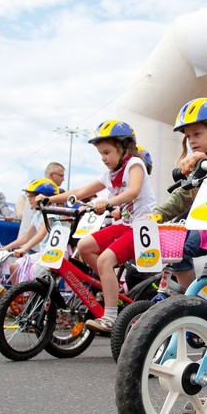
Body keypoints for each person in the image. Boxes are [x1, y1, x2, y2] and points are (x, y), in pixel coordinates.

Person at [42, 120, 156, 333]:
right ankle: (109, 283)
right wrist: (51, 199)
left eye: (106, 152)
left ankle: (110, 317)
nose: (103, 158)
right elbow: (82, 191)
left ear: (123, 148)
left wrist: (109, 202)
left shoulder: (135, 164)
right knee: (84, 247)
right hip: (124, 224)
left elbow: (134, 191)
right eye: (100, 154)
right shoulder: (109, 173)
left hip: (142, 226)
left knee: (104, 259)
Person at [149, 98, 207, 290]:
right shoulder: (197, 164)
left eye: (197, 133)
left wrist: (204, 162)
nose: (192, 140)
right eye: (188, 136)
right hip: (205, 225)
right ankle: (191, 300)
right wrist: (158, 214)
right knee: (172, 248)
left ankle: (194, 301)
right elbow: (182, 195)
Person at [0, 179, 59, 283]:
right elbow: (25, 238)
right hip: (43, 253)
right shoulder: (37, 216)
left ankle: (30, 297)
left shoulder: (49, 213)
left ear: (42, 197)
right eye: (28, 197)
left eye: (32, 196)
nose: (29, 200)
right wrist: (6, 248)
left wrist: (23, 249)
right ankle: (18, 298)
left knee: (31, 278)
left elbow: (41, 234)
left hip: (53, 255)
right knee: (14, 267)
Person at [16, 162, 65, 231]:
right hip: (33, 237)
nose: (63, 179)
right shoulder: (39, 189)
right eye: (61, 175)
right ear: (51, 175)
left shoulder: (50, 191)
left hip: (32, 237)